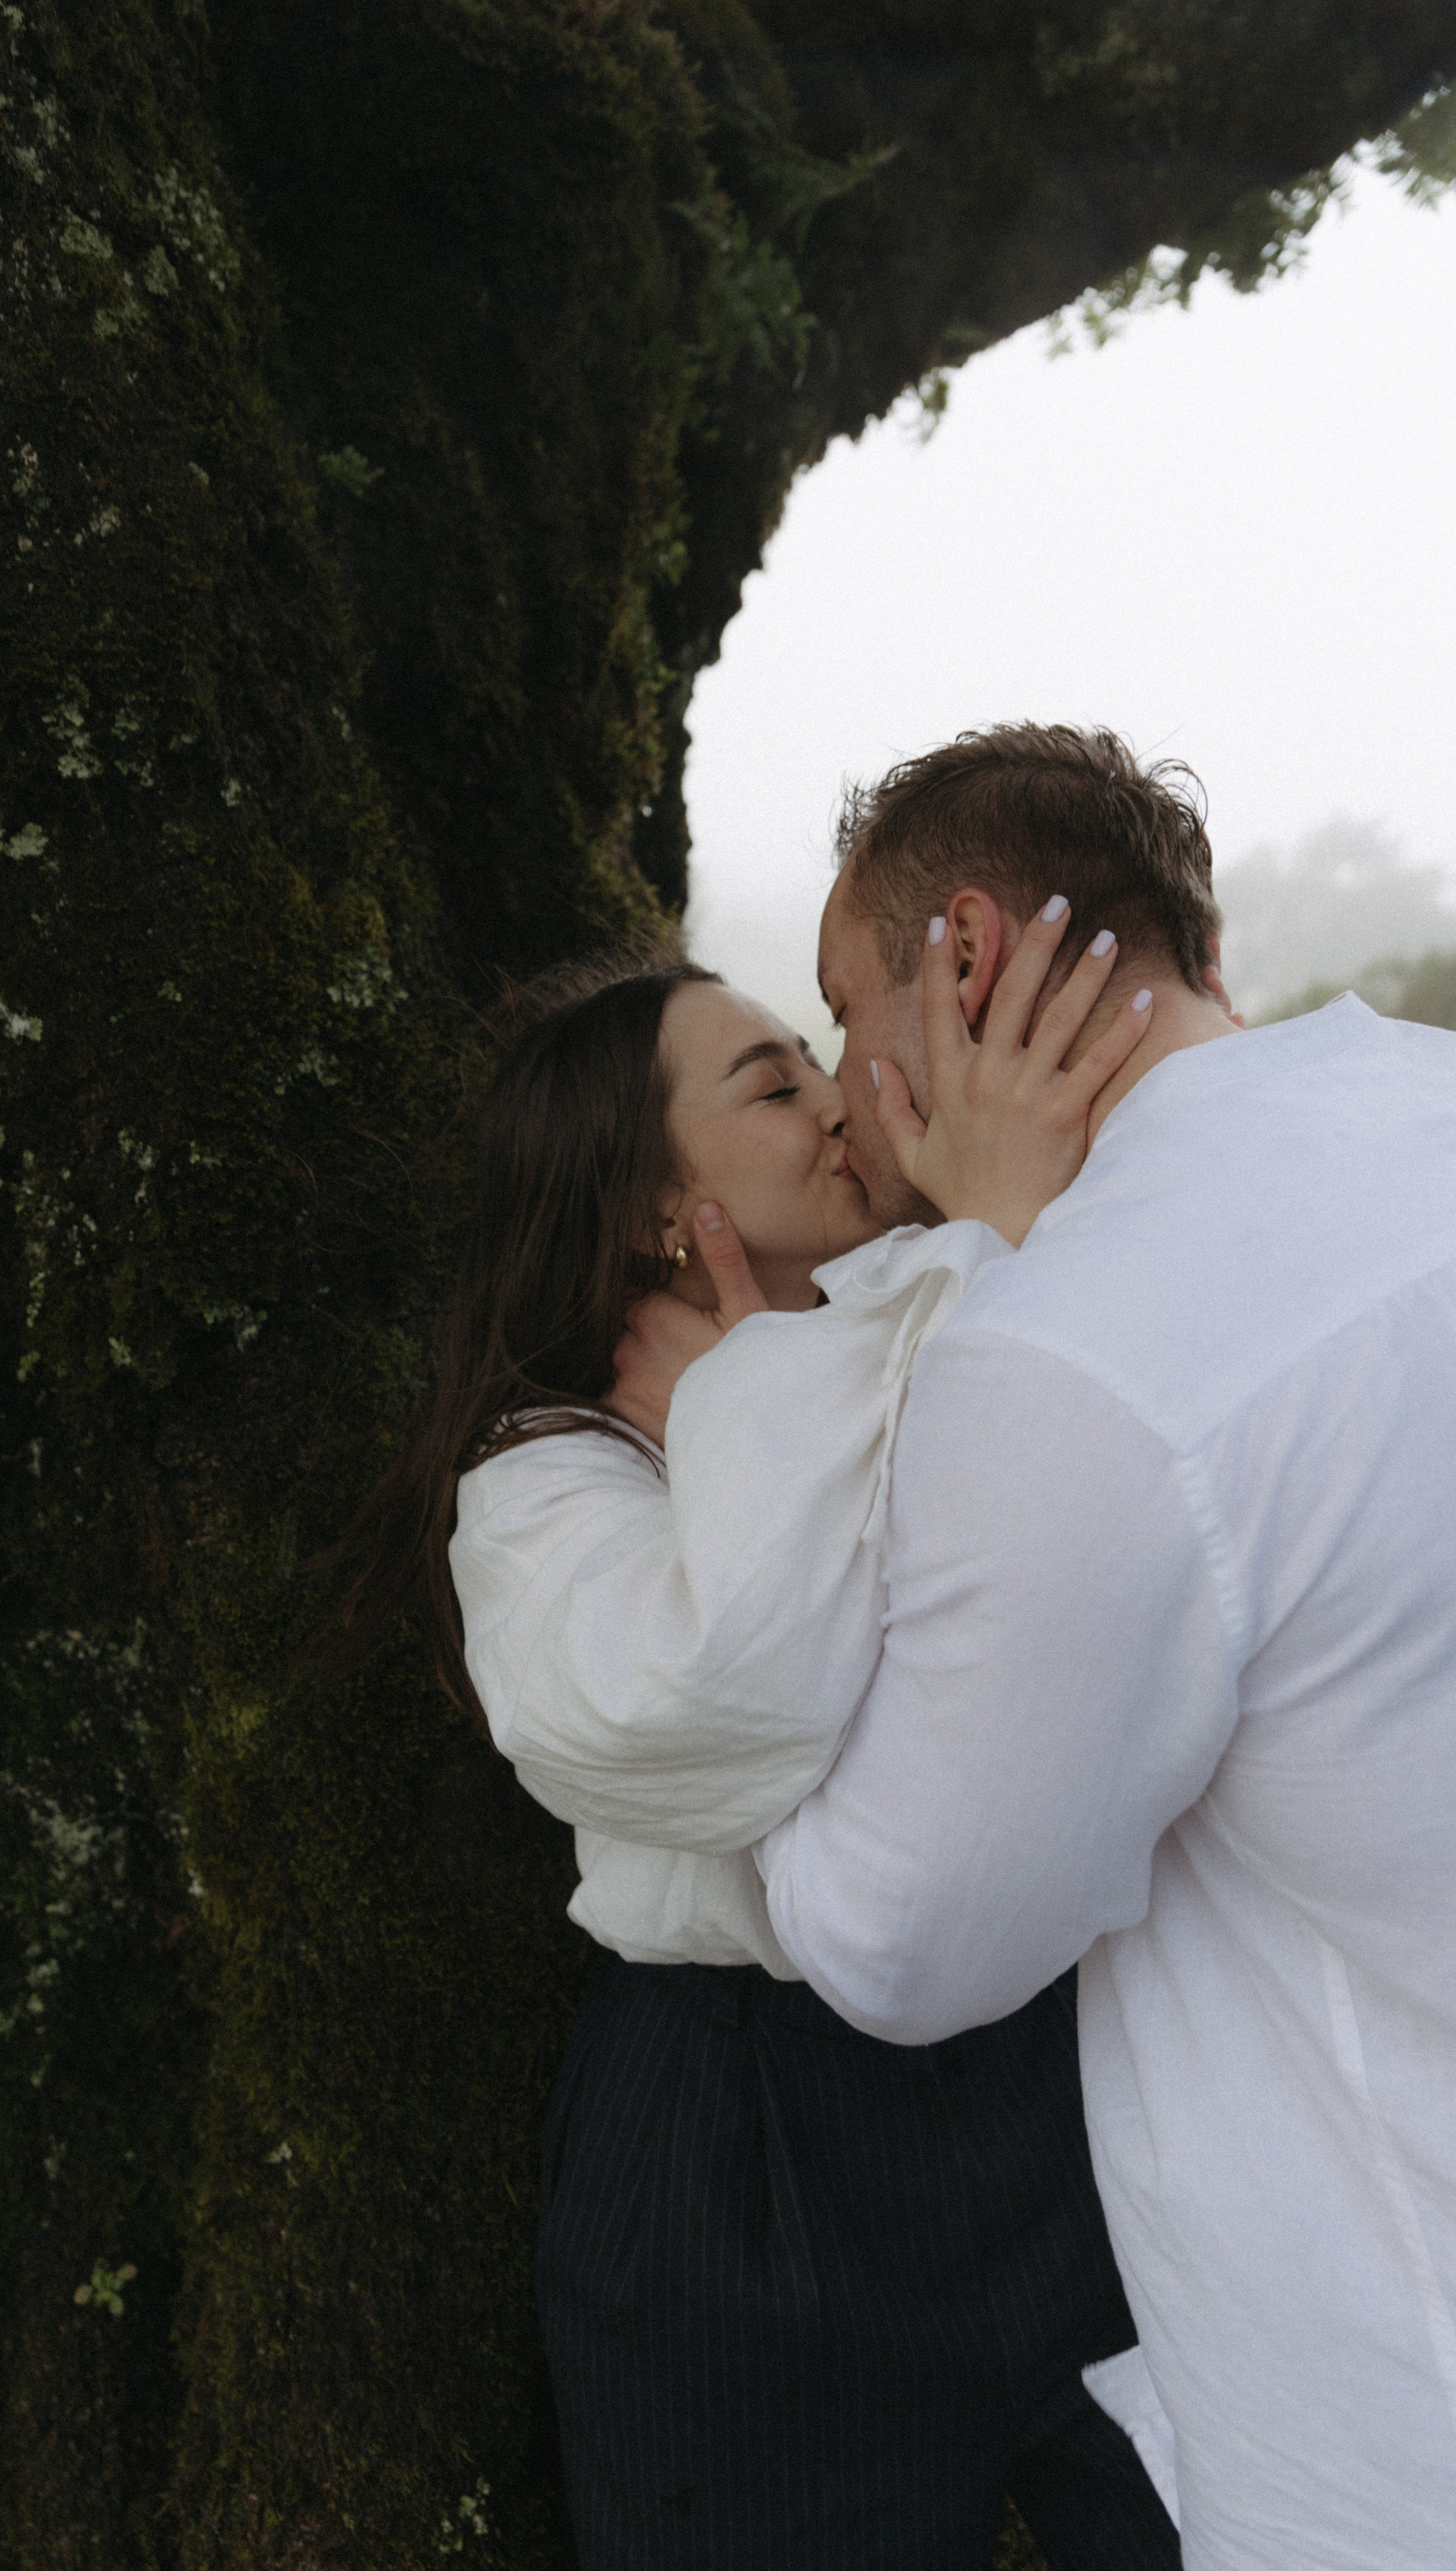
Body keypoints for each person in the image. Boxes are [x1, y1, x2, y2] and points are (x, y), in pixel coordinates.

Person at [611, 724, 1456, 2571]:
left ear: (966, 964)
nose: (840, 1084)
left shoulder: (1081, 1356)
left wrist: (746, 1515)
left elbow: (897, 1936)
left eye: (845, 1010)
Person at [346, 941, 1183, 2568]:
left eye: (814, 1058)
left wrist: (779, 1380)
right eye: (771, 1083)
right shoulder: (542, 1490)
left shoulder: (924, 1312)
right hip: (744, 2155)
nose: (838, 1099)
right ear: (652, 1203)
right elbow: (724, 1705)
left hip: (1057, 2077)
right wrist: (832, 1360)